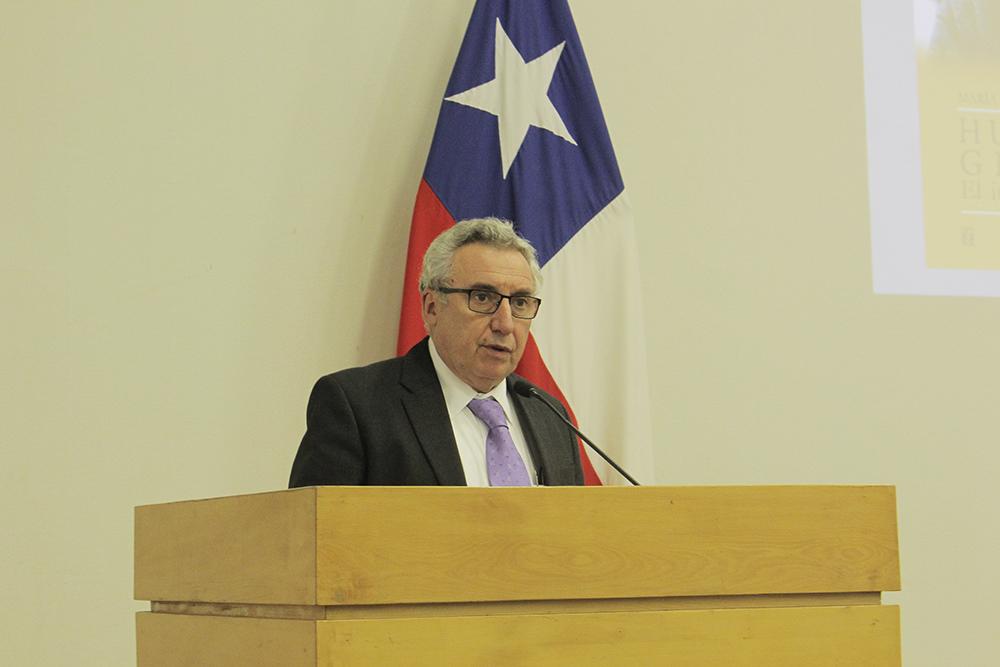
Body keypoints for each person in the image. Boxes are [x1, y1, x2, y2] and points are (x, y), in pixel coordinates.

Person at [288, 217, 584, 487]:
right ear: (431, 307)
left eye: (520, 302)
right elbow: (313, 535)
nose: (505, 324)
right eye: (482, 297)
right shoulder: (357, 407)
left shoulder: (551, 416)